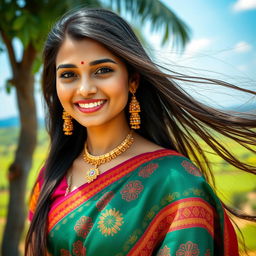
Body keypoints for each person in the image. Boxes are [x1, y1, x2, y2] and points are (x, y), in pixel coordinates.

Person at [25, 7, 256, 256]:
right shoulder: (52, 175)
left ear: (132, 80)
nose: (85, 89)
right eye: (69, 74)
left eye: (102, 70)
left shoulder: (176, 182)